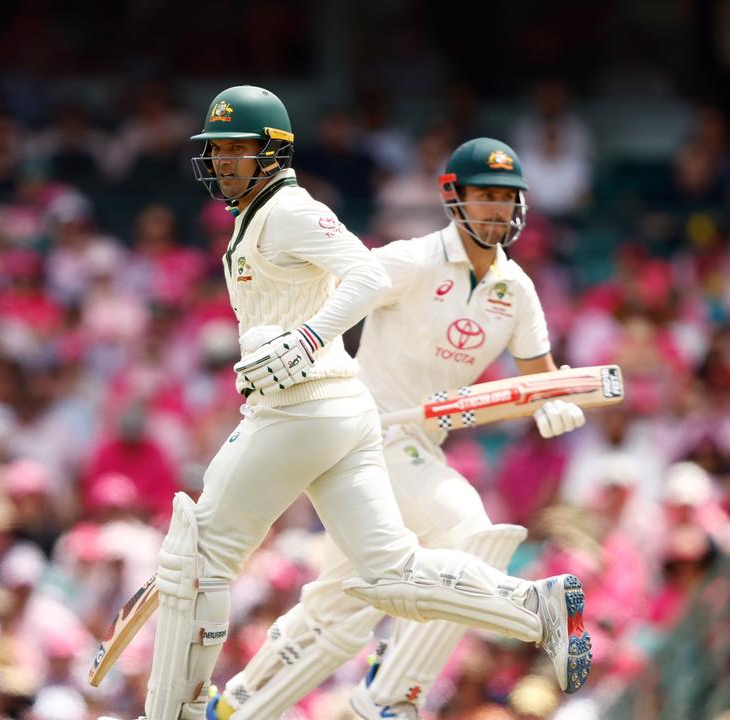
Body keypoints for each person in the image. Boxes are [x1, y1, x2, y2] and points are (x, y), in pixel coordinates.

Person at [104, 87, 590, 720]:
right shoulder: (266, 219)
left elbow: (362, 272)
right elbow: (370, 276)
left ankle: (181, 712)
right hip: (352, 415)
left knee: (201, 557)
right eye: (216, 150)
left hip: (307, 407)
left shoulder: (289, 211)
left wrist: (311, 337)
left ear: (272, 152)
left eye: (236, 150)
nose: (222, 161)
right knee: (382, 577)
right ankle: (533, 607)